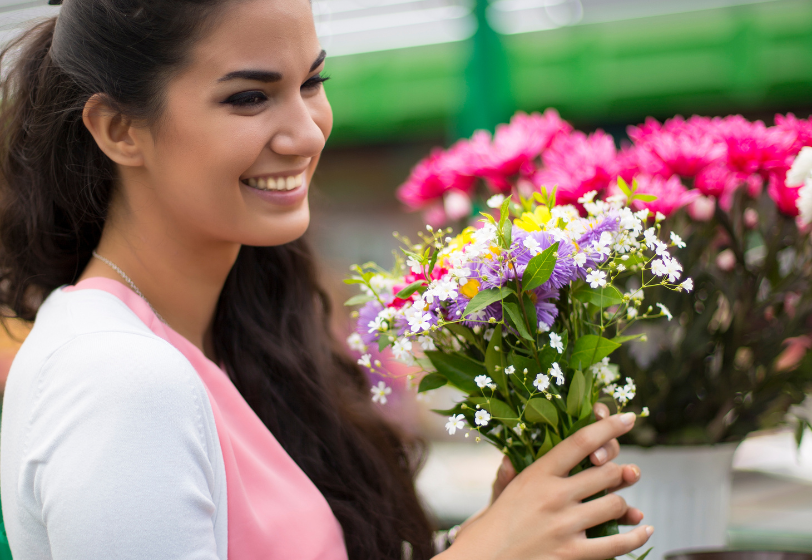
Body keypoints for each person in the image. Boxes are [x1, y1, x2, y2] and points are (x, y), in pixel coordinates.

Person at [0, 1, 653, 559]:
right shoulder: (118, 380)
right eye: (250, 97)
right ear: (119, 130)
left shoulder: (229, 336)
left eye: (312, 82)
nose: (306, 132)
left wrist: (504, 529)